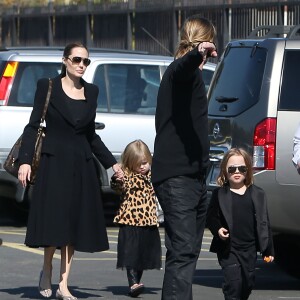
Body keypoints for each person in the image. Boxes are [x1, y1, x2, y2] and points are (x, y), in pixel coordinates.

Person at [17, 42, 123, 300]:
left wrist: (112, 163)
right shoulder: (48, 86)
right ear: (65, 60)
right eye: (76, 60)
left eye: (85, 61)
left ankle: (64, 284)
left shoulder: (92, 91)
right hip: (54, 163)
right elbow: (33, 126)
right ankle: (47, 268)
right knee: (55, 222)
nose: (81, 65)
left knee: (73, 225)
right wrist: (25, 161)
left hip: (82, 165)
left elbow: (90, 135)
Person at [151, 15, 217, 300]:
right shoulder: (180, 73)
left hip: (195, 177)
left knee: (187, 252)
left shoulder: (192, 76)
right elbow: (181, 68)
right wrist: (196, 54)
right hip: (177, 179)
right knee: (182, 252)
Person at [206, 148, 274, 300]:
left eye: (242, 168)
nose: (237, 172)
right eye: (232, 169)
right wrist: (218, 230)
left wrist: (268, 250)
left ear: (248, 170)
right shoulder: (220, 194)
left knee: (247, 283)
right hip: (229, 249)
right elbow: (211, 217)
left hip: (249, 249)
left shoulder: (258, 194)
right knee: (234, 283)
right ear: (225, 170)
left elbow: (264, 222)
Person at [111, 140, 162, 298]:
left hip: (148, 222)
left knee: (143, 255)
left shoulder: (153, 176)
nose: (142, 167)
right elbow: (117, 186)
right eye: (137, 164)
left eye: (145, 163)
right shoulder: (126, 176)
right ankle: (133, 283)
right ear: (129, 163)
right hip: (130, 221)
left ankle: (136, 282)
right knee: (131, 254)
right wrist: (117, 179)